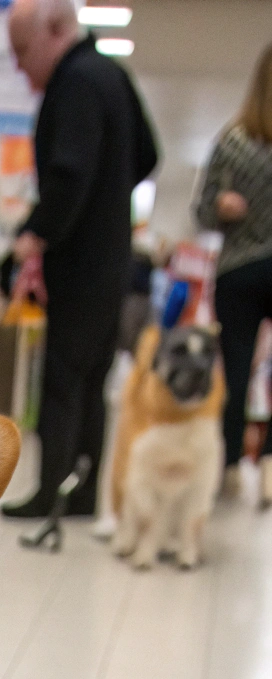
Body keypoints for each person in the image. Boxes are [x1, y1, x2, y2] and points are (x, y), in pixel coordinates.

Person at [2, 0, 159, 519]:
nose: (20, 67)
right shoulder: (112, 74)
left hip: (82, 259)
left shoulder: (77, 82)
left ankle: (51, 493)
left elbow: (69, 174)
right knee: (92, 377)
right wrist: (110, 199)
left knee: (64, 379)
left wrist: (33, 235)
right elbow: (149, 153)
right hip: (111, 254)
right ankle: (82, 493)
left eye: (23, 51)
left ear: (54, 30)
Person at [195, 43, 272, 505]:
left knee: (237, 372)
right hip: (245, 270)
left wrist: (222, 208)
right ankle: (267, 465)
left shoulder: (231, 142)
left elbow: (202, 211)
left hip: (239, 269)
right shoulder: (233, 140)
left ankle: (225, 468)